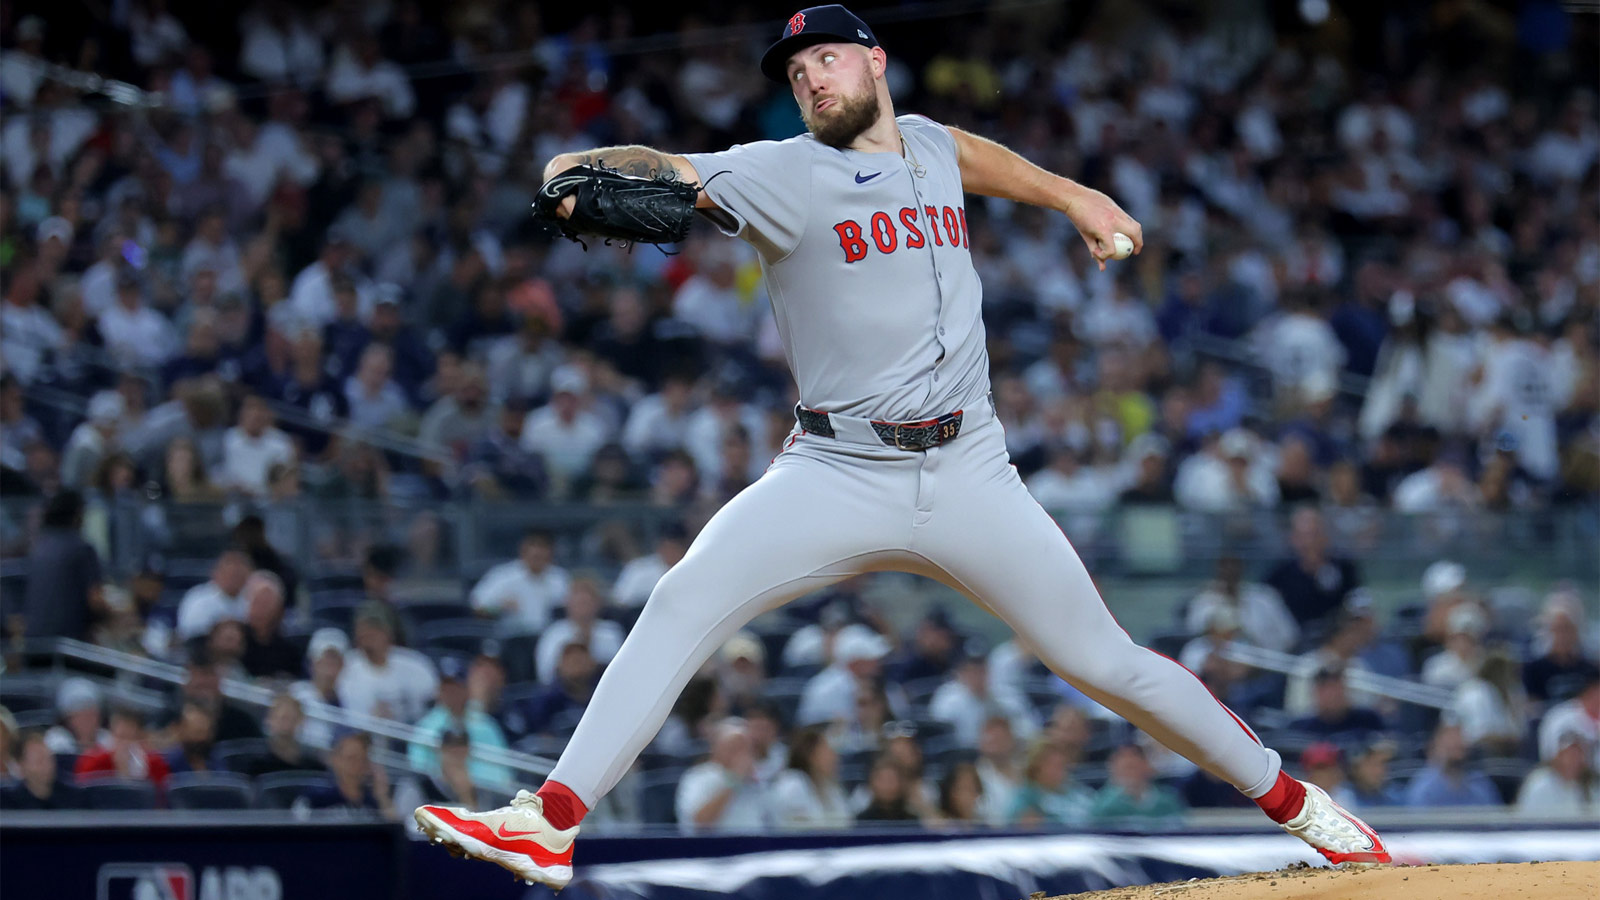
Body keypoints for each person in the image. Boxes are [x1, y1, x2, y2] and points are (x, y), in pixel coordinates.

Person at [416, 8, 1391, 885]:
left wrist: (1073, 199)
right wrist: (566, 174)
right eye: (798, 75)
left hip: (970, 471)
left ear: (876, 63)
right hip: (835, 470)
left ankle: (1305, 809)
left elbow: (971, 154)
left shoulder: (925, 144)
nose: (812, 82)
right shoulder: (778, 170)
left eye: (828, 61)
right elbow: (665, 169)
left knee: (1106, 663)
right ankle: (548, 822)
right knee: (683, 599)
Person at [407, 657, 511, 786]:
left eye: (456, 687)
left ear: (466, 689)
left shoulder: (486, 725)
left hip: (483, 796)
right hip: (439, 795)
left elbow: (503, 774)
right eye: (446, 688)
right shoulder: (426, 727)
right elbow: (419, 770)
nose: (451, 693)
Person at [20, 490, 105, 643]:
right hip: (68, 650)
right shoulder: (82, 549)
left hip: (33, 649)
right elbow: (96, 602)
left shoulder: (38, 548)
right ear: (78, 514)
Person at [1262, 507, 1362, 633]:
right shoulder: (1280, 572)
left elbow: (1358, 602)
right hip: (1295, 641)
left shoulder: (1344, 567)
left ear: (1326, 537)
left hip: (1337, 636)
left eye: (1315, 535)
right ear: (1293, 539)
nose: (1309, 542)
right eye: (1303, 536)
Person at [337, 605, 439, 723]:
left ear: (388, 633)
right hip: (360, 735)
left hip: (409, 734)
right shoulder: (346, 665)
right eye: (364, 628)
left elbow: (434, 705)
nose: (369, 633)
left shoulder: (415, 664)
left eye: (375, 628)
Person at [673, 718, 771, 832]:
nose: (742, 754)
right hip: (714, 846)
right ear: (716, 748)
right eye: (734, 747)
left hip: (758, 845)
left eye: (746, 748)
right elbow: (699, 823)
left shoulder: (761, 779)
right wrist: (734, 779)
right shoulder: (697, 777)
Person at [469, 529, 570, 635]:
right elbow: (477, 607)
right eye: (533, 546)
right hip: (512, 638)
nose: (537, 552)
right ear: (523, 549)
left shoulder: (560, 578)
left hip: (548, 636)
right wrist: (499, 607)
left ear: (551, 552)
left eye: (542, 547)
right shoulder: (503, 576)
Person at [533, 580, 625, 685]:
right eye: (578, 603)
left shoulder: (611, 632)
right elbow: (545, 674)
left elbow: (620, 669)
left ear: (598, 604)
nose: (583, 608)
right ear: (568, 604)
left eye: (587, 603)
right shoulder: (553, 634)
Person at [770, 725, 851, 828]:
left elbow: (846, 823)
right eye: (827, 751)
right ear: (811, 755)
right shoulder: (792, 785)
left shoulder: (831, 789)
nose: (835, 757)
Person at [1403, 723, 1501, 807]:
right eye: (1449, 740)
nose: (1456, 741)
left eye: (1459, 738)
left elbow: (1496, 822)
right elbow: (1419, 825)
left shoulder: (1480, 784)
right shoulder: (1423, 788)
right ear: (1434, 747)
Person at [1090, 743, 1186, 826]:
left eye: (1132, 767)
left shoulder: (1168, 800)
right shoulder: (1103, 804)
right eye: (1124, 768)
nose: (1129, 774)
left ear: (1147, 766)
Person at [308, 729, 396, 818]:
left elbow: (393, 827)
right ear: (335, 759)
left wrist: (382, 796)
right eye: (351, 758)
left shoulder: (373, 801)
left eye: (363, 759)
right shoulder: (318, 797)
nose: (358, 765)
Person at [74, 706, 170, 787]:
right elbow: (83, 788)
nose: (125, 744)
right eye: (121, 737)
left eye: (129, 738)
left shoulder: (154, 762)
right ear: (112, 731)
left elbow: (163, 796)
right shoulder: (95, 758)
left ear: (139, 735)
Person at [1008, 738, 1094, 827]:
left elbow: (1096, 812)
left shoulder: (1075, 790)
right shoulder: (1026, 800)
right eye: (1054, 765)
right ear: (1036, 767)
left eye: (1063, 765)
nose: (1061, 771)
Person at [1515, 729, 1598, 817]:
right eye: (1569, 754)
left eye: (1578, 754)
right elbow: (1527, 823)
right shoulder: (1539, 784)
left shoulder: (1589, 786)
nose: (1574, 760)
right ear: (1557, 756)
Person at [175, 549, 251, 642]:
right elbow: (188, 633)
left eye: (239, 575)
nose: (234, 580)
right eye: (231, 574)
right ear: (216, 573)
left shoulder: (252, 598)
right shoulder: (198, 598)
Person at [290, 627, 349, 748]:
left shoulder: (351, 699)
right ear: (312, 663)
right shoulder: (296, 693)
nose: (329, 667)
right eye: (325, 660)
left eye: (335, 660)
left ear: (343, 665)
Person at [239, 571, 302, 679]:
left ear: (280, 610)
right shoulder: (236, 642)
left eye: (267, 603)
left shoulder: (289, 651)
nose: (262, 610)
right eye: (258, 602)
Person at [1, 731, 86, 810]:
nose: (47, 765)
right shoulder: (8, 803)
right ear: (20, 766)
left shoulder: (74, 797)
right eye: (39, 761)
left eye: (49, 758)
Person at [246, 692, 325, 777]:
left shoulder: (312, 766)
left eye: (290, 718)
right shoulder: (254, 760)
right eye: (281, 718)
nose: (285, 724)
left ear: (301, 720)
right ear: (269, 719)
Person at [1331, 737, 1403, 810]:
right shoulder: (1341, 798)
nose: (1379, 771)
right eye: (1372, 764)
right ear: (1355, 767)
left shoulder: (1393, 796)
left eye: (1383, 764)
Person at [43, 677, 110, 755]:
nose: (88, 721)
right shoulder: (56, 742)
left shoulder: (108, 741)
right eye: (83, 716)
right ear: (69, 719)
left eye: (93, 715)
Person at [936, 761, 987, 828]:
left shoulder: (984, 827)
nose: (967, 795)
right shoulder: (938, 826)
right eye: (963, 788)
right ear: (950, 792)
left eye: (972, 788)